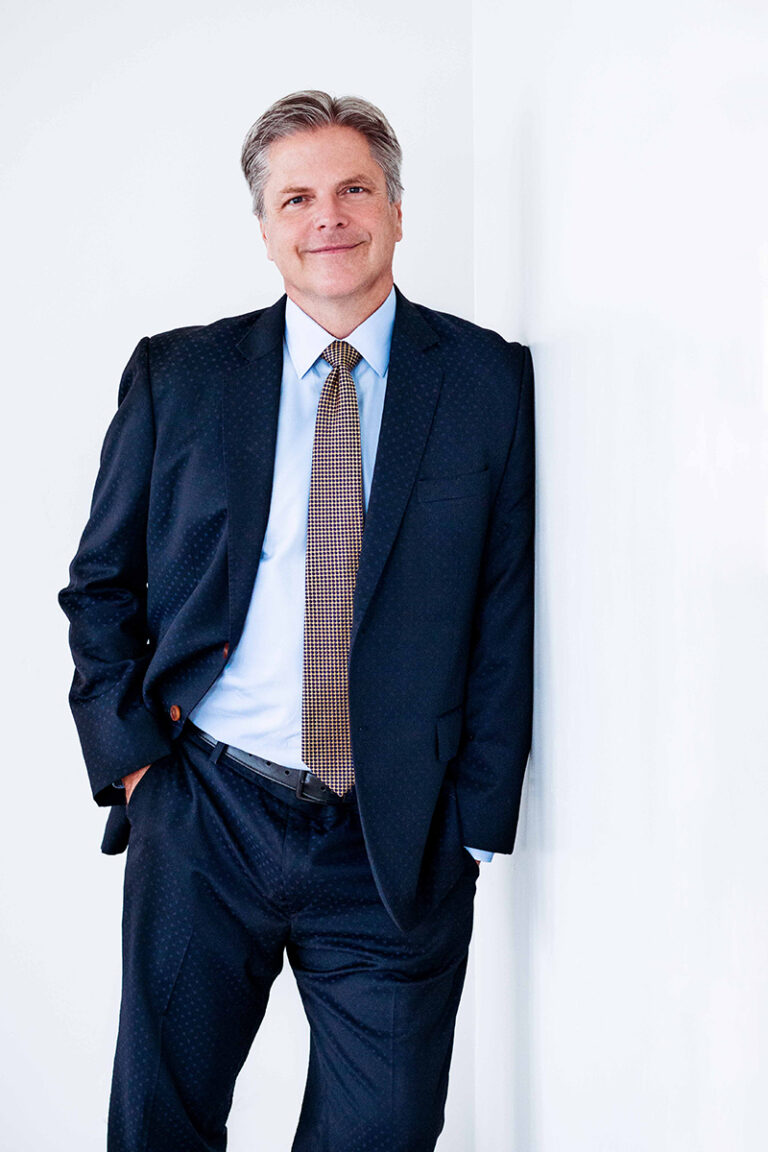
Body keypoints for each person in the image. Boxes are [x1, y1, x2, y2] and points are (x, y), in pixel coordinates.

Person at [58, 89, 535, 1152]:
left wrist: (472, 822)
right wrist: (137, 768)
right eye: (299, 197)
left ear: (398, 211)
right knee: (161, 1124)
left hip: (394, 839)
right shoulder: (178, 375)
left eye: (354, 189)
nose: (329, 216)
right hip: (207, 810)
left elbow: (504, 613)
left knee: (383, 1130)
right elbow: (101, 585)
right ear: (267, 227)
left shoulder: (487, 381)